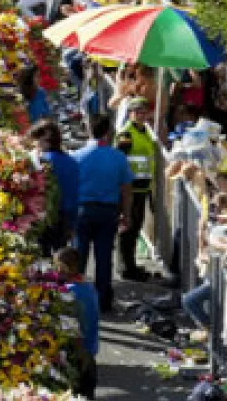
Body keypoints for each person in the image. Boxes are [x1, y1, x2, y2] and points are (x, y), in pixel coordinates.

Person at [72, 114, 135, 312]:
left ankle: (76, 298)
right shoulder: (118, 157)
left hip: (83, 209)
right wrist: (127, 214)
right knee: (104, 256)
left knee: (79, 256)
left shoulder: (77, 156)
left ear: (88, 130)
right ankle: (103, 300)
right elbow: (126, 189)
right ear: (108, 132)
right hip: (108, 211)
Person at [116, 96, 159, 281]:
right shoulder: (126, 134)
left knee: (135, 228)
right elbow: (120, 160)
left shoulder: (145, 132)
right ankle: (126, 267)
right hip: (130, 189)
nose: (141, 115)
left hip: (142, 188)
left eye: (144, 112)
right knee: (128, 228)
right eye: (137, 112)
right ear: (130, 114)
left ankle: (130, 264)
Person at [55, 247, 101, 398]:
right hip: (90, 349)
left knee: (76, 392)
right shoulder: (88, 286)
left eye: (57, 266)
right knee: (88, 390)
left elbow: (71, 327)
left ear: (64, 267)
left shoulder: (69, 293)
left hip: (76, 353)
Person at [31, 120, 81, 255]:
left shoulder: (37, 162)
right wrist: (72, 225)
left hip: (40, 218)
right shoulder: (71, 162)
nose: (35, 145)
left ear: (45, 140)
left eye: (36, 140)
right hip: (64, 218)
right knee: (59, 256)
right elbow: (74, 196)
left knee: (41, 257)